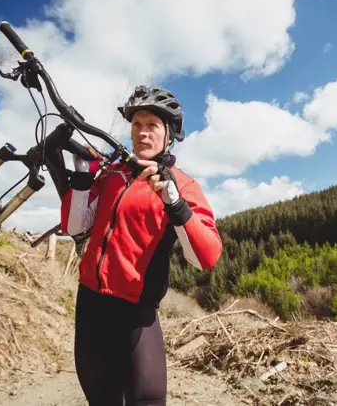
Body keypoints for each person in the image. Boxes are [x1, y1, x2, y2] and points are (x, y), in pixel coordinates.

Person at [59, 85, 222, 406]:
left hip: (135, 314)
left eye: (152, 125)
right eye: (136, 125)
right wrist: (82, 177)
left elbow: (206, 257)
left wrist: (175, 203)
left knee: (146, 400)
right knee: (100, 399)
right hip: (89, 303)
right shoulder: (113, 173)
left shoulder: (183, 184)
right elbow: (75, 226)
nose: (142, 133)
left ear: (169, 135)